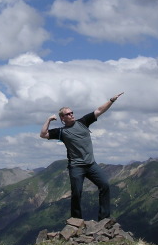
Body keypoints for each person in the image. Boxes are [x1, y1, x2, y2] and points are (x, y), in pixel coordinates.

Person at [40, 92, 124, 220]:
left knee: (105, 185)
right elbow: (43, 134)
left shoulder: (83, 122)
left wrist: (111, 100)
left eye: (72, 112)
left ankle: (104, 219)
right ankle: (76, 221)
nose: (71, 114)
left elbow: (99, 110)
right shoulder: (61, 132)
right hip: (76, 167)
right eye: (68, 114)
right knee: (76, 194)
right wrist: (48, 120)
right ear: (63, 118)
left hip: (91, 164)